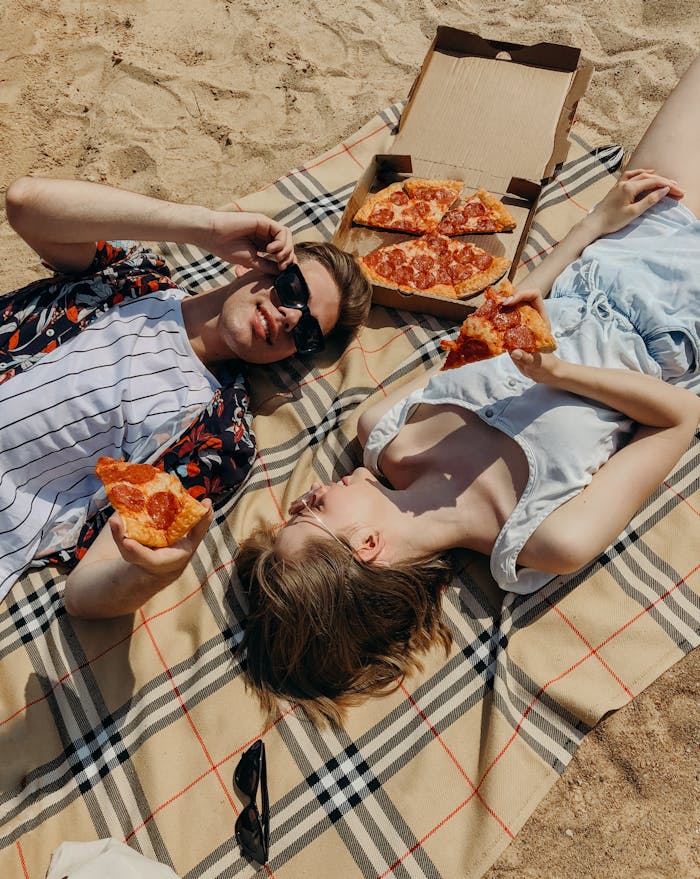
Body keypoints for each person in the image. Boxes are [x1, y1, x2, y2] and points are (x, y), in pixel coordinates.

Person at [235, 54, 700, 725]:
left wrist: (594, 223)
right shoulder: (545, 538)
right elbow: (681, 417)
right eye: (308, 515)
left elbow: (500, 318)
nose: (305, 495)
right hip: (682, 320)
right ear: (367, 547)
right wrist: (558, 375)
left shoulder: (384, 427)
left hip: (616, 248)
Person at [1, 177, 372, 608]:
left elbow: (85, 594)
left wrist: (151, 574)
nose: (290, 317)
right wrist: (205, 228)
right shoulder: (133, 277)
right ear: (254, 266)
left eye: (306, 331)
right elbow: (25, 203)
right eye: (292, 290)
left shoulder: (217, 434)